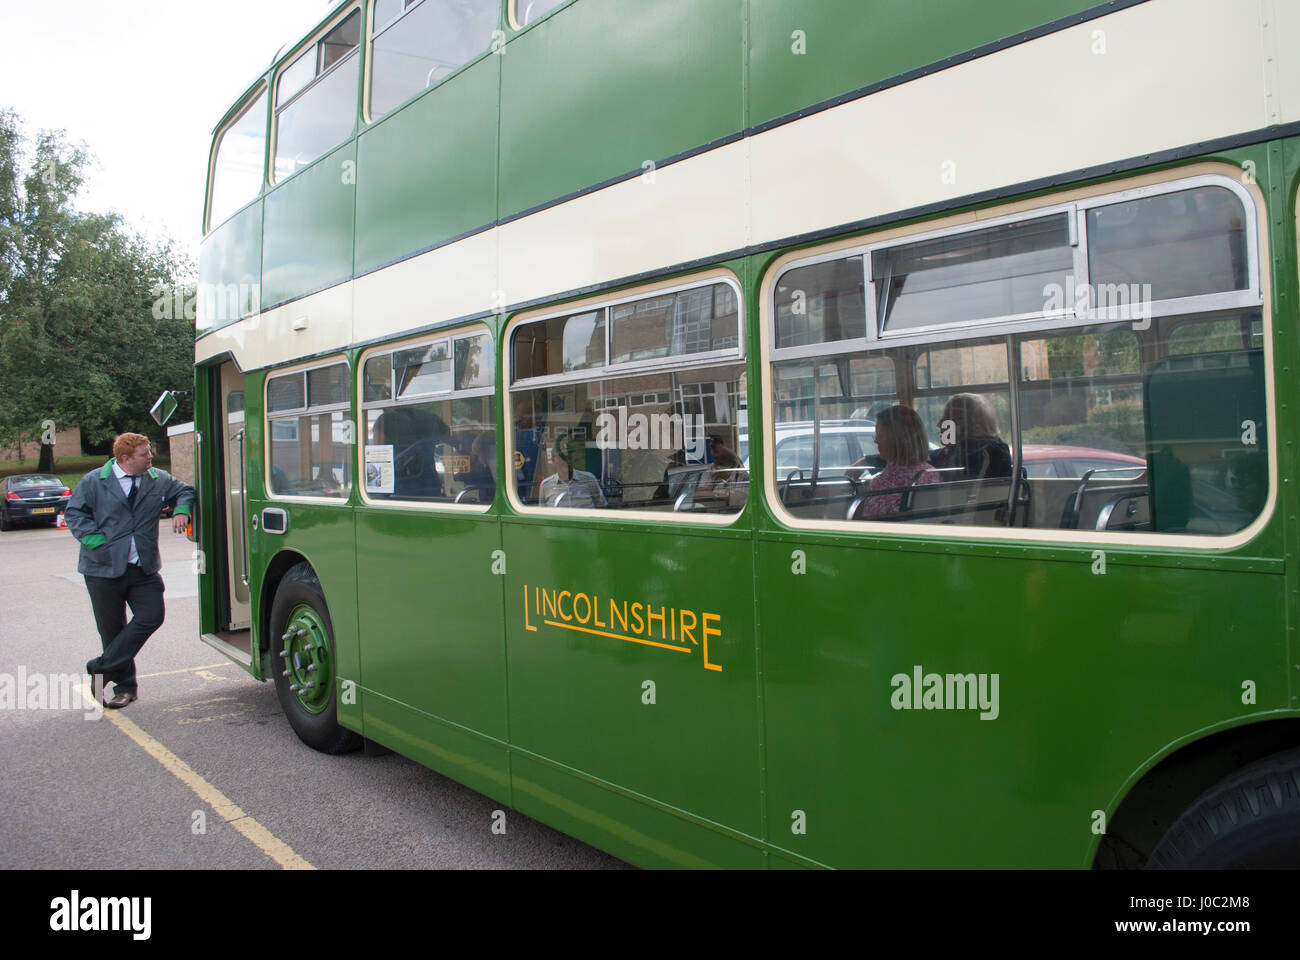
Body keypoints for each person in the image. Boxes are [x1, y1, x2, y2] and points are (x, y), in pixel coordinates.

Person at [66, 433, 195, 709]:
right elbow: (75, 513)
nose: (151, 456)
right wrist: (95, 541)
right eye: (144, 454)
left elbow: (185, 490)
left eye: (149, 452)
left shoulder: (158, 478)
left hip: (143, 568)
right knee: (112, 630)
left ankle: (100, 669)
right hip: (102, 569)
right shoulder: (94, 481)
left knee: (152, 616)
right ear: (125, 459)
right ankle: (125, 688)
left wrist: (181, 509)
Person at [850, 405, 941, 518]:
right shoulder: (931, 473)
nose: (876, 441)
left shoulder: (881, 484)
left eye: (880, 436)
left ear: (896, 440)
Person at [930, 393, 1012, 480]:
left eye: (948, 419)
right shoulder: (948, 452)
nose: (939, 424)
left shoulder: (986, 454)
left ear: (974, 424)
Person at [538, 432, 607, 508]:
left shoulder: (589, 479)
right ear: (554, 460)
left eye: (569, 456)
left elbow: (602, 508)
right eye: (561, 456)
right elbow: (543, 515)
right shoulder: (546, 485)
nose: (566, 460)